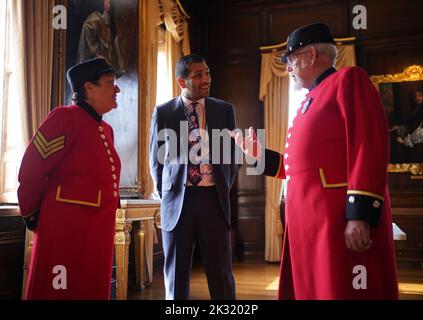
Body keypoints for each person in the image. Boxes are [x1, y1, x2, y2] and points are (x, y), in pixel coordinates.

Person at [231, 23, 398, 299]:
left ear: (310, 55)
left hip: (335, 220)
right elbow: (301, 169)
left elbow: (369, 146)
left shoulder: (348, 80)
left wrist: (360, 215)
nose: (287, 68)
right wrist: (259, 156)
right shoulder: (310, 99)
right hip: (308, 225)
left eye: (290, 59)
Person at [17, 58, 123, 299]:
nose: (117, 89)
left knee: (90, 288)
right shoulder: (64, 117)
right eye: (110, 83)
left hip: (96, 231)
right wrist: (31, 214)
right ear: (89, 88)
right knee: (61, 290)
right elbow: (32, 169)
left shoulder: (106, 129)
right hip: (66, 230)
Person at [149, 54, 237, 300]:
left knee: (221, 274)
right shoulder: (164, 112)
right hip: (178, 202)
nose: (206, 79)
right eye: (198, 75)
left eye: (207, 72)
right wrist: (171, 192)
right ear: (182, 81)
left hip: (214, 200)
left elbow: (232, 157)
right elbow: (156, 161)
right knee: (175, 278)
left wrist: (220, 188)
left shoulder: (225, 110)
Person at [77, 0, 124, 72]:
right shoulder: (91, 23)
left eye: (110, 3)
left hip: (107, 67)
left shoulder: (111, 20)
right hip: (95, 67)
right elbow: (92, 50)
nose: (109, 5)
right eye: (107, 2)